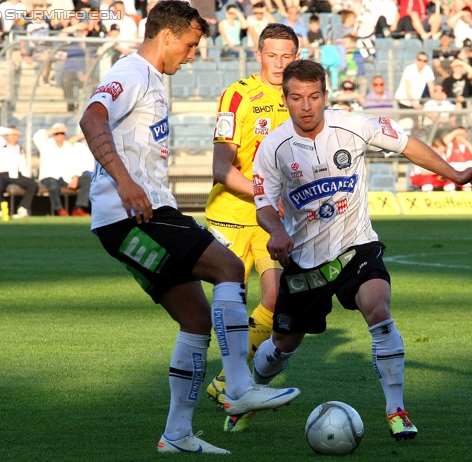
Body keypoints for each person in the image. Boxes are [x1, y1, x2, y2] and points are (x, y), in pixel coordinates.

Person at [78, 3, 299, 454]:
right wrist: (124, 181)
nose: (193, 54)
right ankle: (238, 386)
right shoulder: (134, 71)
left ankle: (177, 434)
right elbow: (91, 117)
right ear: (166, 37)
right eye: (191, 44)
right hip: (135, 213)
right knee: (228, 268)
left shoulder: (152, 79)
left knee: (197, 319)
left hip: (138, 215)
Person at [251, 59, 472, 441]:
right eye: (296, 98)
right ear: (286, 98)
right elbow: (264, 204)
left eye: (313, 97)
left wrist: (456, 174)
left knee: (379, 309)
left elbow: (409, 145)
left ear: (325, 95)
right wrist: (276, 230)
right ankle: (248, 393)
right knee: (283, 344)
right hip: (307, 262)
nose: (306, 106)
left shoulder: (355, 124)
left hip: (356, 247)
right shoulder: (274, 147)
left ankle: (396, 411)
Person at [203, 23, 300, 433]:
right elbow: (221, 168)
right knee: (231, 306)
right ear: (258, 53)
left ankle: (228, 381)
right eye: (272, 54)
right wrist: (265, 192)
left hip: (270, 220)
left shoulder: (301, 100)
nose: (279, 63)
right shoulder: (238, 94)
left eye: (287, 56)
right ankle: (228, 386)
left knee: (277, 299)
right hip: (229, 216)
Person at [34, 123, 92, 216]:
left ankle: (78, 208)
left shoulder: (68, 147)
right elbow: (37, 137)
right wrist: (55, 129)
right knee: (53, 185)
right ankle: (59, 209)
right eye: (57, 133)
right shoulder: (46, 144)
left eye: (62, 133)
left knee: (87, 180)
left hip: (65, 178)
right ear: (53, 134)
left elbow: (75, 164)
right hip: (49, 176)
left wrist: (75, 178)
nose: (60, 135)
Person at [0, 126, 38, 218]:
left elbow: (22, 165)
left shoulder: (19, 148)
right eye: (12, 134)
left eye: (16, 135)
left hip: (15, 174)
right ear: (7, 135)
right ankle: (1, 209)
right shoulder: (0, 143)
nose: (14, 137)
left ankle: (23, 208)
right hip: (2, 174)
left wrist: (27, 177)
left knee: (32, 184)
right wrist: (11, 130)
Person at [442, 126, 472, 191]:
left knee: (468, 186)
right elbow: (444, 141)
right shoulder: (451, 144)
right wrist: (456, 132)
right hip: (453, 173)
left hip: (467, 174)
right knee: (449, 187)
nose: (461, 136)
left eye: (463, 134)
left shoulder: (468, 146)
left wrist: (465, 141)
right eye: (459, 134)